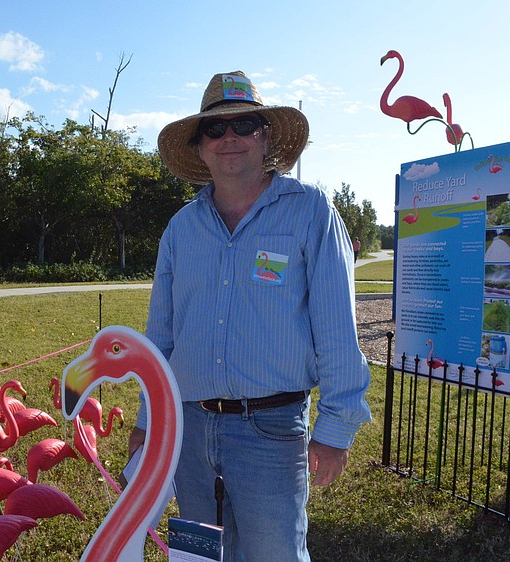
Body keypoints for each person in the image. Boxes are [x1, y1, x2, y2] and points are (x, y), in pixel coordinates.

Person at [128, 71, 371, 561]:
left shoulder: (311, 212)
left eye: (244, 125)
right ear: (199, 148)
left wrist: (336, 428)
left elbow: (337, 330)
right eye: (214, 130)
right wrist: (148, 419)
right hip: (188, 430)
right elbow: (161, 338)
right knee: (196, 553)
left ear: (267, 139)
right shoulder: (180, 229)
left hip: (272, 430)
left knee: (274, 553)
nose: (229, 138)